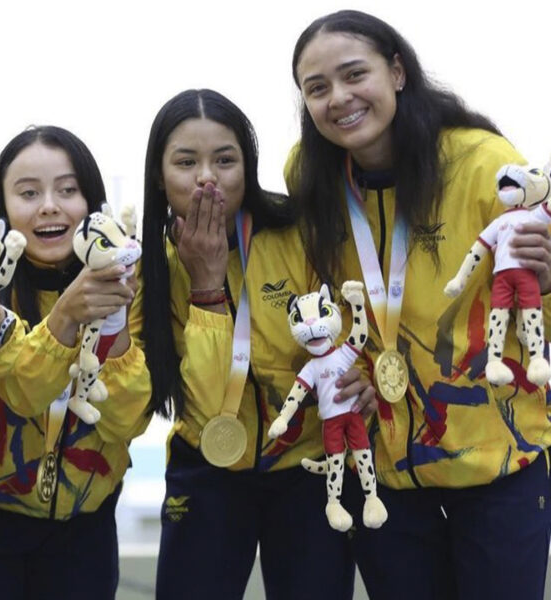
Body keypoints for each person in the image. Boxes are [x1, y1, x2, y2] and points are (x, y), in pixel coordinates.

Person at [289, 10, 551, 599]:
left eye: (355, 74)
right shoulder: (310, 178)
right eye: (317, 88)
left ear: (398, 72)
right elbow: (315, 298)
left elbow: (533, 300)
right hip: (383, 470)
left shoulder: (481, 163)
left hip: (496, 461)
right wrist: (348, 367)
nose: (339, 98)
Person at [140, 89, 377, 599]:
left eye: (225, 160)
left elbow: (358, 322)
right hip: (207, 465)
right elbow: (204, 397)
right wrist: (205, 283)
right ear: (159, 176)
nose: (208, 176)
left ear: (248, 167)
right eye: (187, 162)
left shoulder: (299, 233)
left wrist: (368, 372)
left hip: (308, 466)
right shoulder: (150, 267)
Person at [0, 125, 152, 599]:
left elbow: (127, 418)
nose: (49, 205)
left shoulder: (133, 284)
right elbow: (27, 393)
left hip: (83, 525)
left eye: (68, 190)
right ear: (3, 207)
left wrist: (109, 321)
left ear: (93, 205)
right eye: (28, 193)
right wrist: (67, 314)